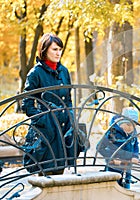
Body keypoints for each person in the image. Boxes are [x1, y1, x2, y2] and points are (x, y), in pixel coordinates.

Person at [21, 33, 75, 175]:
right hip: (47, 130)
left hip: (64, 127)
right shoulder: (35, 73)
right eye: (54, 49)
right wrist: (43, 119)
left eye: (60, 49)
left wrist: (71, 116)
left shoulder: (64, 71)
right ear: (44, 50)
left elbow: (68, 99)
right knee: (46, 174)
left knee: (60, 173)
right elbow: (27, 105)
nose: (58, 53)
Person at [97, 107, 140, 189]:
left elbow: (135, 145)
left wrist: (135, 156)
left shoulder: (133, 133)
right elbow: (99, 147)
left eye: (134, 125)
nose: (131, 128)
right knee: (113, 190)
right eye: (128, 124)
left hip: (127, 167)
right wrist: (112, 158)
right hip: (113, 167)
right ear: (122, 121)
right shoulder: (112, 132)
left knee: (126, 190)